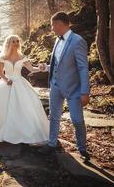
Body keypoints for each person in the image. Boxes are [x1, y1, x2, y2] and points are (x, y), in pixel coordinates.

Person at [0, 34, 49, 144]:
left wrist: (41, 69)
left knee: (25, 106)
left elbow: (31, 69)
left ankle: (22, 132)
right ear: (9, 43)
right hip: (6, 83)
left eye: (17, 41)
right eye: (14, 41)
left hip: (20, 83)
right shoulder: (3, 58)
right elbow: (0, 73)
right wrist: (6, 80)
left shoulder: (22, 57)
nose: (16, 43)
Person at [38, 11, 90, 161]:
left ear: (61, 24)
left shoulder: (77, 41)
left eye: (53, 25)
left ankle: (82, 149)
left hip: (74, 89)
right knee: (54, 117)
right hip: (55, 86)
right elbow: (59, 64)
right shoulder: (57, 40)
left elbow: (82, 68)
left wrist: (85, 91)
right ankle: (52, 144)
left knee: (77, 120)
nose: (52, 29)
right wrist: (46, 67)